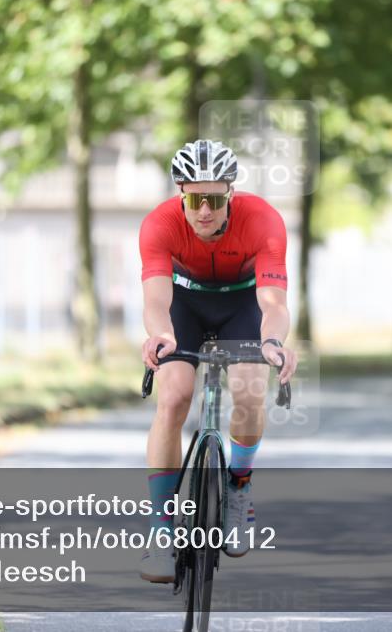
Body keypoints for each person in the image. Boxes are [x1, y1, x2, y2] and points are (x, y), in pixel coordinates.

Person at [137, 139, 298, 583]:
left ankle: (238, 486)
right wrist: (161, 335)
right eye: (194, 199)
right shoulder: (159, 224)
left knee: (249, 389)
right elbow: (155, 298)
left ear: (230, 194)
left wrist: (272, 341)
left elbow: (273, 302)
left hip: (241, 304)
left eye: (214, 198)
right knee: (173, 397)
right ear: (180, 195)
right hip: (184, 305)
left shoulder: (263, 221)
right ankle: (160, 530)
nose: (204, 210)